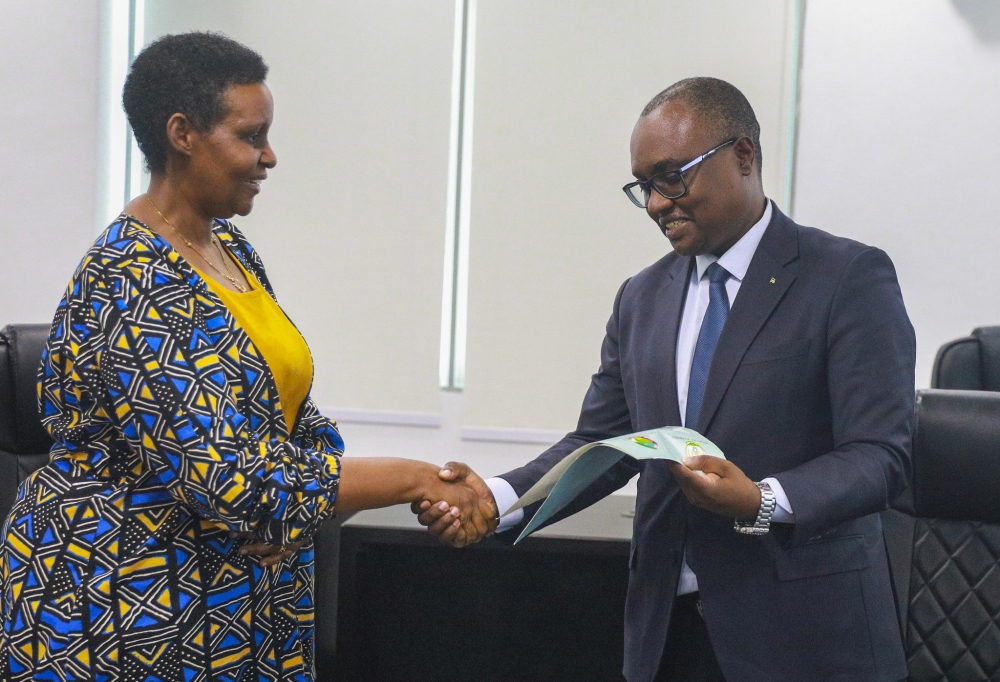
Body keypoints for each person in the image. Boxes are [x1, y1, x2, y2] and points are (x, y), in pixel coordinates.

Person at [0, 32, 493, 682]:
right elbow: (233, 483)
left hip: (238, 596)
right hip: (129, 607)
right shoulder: (131, 277)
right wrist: (414, 479)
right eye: (250, 136)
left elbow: (288, 419)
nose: (270, 157)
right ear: (183, 133)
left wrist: (338, 485)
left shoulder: (227, 247)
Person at [416, 77, 915, 682]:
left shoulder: (846, 276)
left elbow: (881, 456)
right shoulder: (641, 297)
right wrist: (496, 499)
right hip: (668, 634)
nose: (655, 203)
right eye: (643, 186)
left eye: (672, 176)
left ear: (744, 156)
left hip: (807, 637)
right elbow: (602, 442)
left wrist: (762, 501)